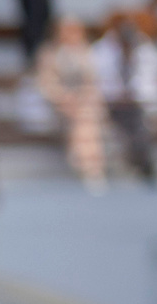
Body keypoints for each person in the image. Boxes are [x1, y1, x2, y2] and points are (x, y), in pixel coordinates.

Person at [35, 14, 105, 190]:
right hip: (60, 106)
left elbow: (94, 82)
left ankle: (85, 162)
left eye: (74, 31)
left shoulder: (88, 53)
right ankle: (92, 166)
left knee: (84, 119)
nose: (71, 35)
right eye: (67, 31)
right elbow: (46, 84)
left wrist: (82, 97)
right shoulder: (49, 54)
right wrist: (64, 98)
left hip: (85, 105)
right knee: (84, 118)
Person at [94, 11, 157, 185]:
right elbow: (97, 81)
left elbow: (152, 81)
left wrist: (136, 96)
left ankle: (144, 165)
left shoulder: (144, 48)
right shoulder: (100, 51)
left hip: (137, 105)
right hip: (110, 104)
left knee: (139, 126)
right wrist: (115, 95)